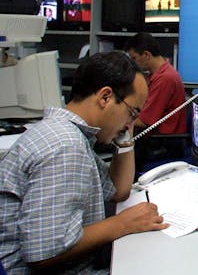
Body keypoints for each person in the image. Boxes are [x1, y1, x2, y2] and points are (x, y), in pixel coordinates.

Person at [0, 51, 168, 274]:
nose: (132, 122)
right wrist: (122, 224)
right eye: (132, 112)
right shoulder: (66, 147)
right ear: (105, 97)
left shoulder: (69, 134)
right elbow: (44, 253)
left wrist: (125, 137)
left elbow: (117, 190)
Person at [124, 32, 187, 162]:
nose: (133, 64)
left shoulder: (165, 79)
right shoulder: (157, 74)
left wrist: (116, 118)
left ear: (146, 55)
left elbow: (144, 121)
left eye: (134, 58)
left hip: (162, 144)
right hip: (157, 140)